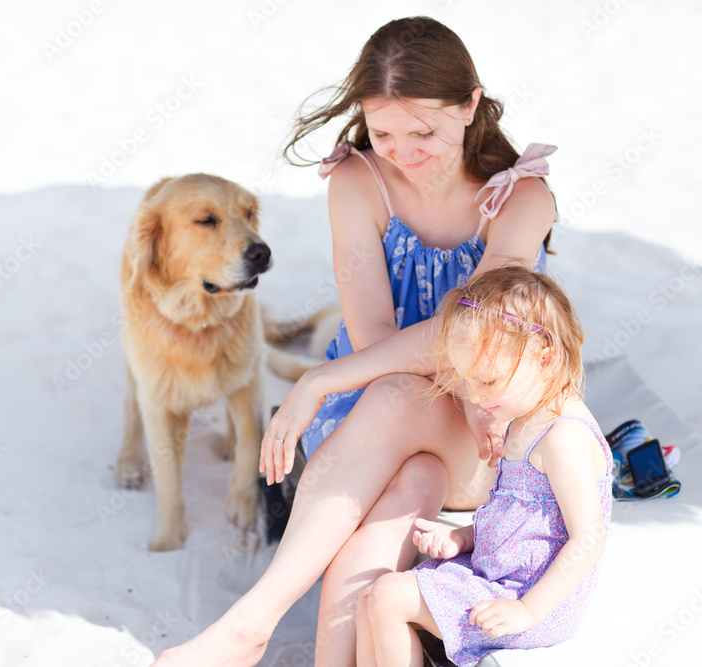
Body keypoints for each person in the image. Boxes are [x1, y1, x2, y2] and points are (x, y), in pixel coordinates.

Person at [153, 16, 558, 666]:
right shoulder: (357, 182)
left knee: (401, 394)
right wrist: (344, 377)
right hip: (375, 410)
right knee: (410, 475)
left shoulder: (522, 196)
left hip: (482, 421)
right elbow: (372, 334)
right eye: (383, 130)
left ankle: (249, 624)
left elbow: (470, 334)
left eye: (424, 130)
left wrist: (318, 377)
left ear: (470, 103)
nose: (404, 150)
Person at [357, 266, 611, 667]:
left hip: (530, 598)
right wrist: (462, 537)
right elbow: (524, 519)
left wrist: (526, 610)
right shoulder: (527, 418)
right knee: (371, 598)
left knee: (388, 598)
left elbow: (589, 538)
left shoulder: (564, 437)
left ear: (543, 356)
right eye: (466, 380)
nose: (474, 395)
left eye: (487, 382)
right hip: (501, 576)